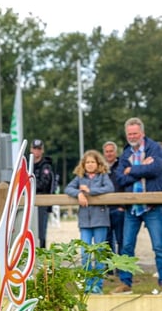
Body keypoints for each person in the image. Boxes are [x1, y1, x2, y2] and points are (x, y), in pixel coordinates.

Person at [113, 117, 162, 293]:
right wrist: (142, 168)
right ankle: (126, 283)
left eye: (135, 133)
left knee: (159, 246)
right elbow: (119, 178)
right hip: (132, 207)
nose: (132, 136)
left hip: (152, 205)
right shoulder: (126, 152)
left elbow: (156, 169)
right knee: (126, 246)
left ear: (142, 133)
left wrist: (132, 169)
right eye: (129, 133)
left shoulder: (154, 148)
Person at [64, 150, 114, 293]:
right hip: (85, 221)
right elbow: (68, 188)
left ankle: (97, 285)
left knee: (99, 253)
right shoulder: (80, 178)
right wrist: (79, 193)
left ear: (98, 163)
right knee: (85, 253)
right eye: (88, 162)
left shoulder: (103, 176)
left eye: (93, 162)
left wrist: (90, 190)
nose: (90, 165)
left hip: (101, 219)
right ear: (83, 164)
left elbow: (109, 188)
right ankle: (87, 284)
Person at [31, 139, 56, 248]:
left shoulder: (46, 166)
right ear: (31, 149)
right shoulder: (27, 164)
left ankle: (42, 255)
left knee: (41, 234)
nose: (37, 151)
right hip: (29, 202)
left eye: (39, 149)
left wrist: (29, 185)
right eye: (35, 148)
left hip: (42, 202)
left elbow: (44, 184)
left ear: (42, 150)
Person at [102, 141, 124, 257]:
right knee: (107, 240)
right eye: (107, 151)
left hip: (119, 208)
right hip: (104, 209)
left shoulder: (122, 165)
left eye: (111, 151)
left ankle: (120, 267)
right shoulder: (100, 167)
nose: (109, 154)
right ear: (103, 153)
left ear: (115, 152)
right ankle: (109, 268)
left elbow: (126, 185)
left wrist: (123, 206)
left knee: (121, 239)